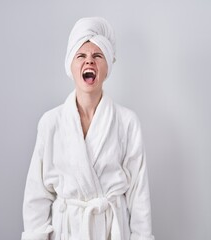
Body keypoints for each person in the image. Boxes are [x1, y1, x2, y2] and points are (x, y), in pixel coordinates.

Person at [21, 17, 155, 240]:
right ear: (71, 65)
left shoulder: (127, 122)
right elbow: (37, 195)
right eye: (81, 56)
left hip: (110, 230)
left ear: (107, 67)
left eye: (97, 56)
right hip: (68, 231)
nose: (89, 62)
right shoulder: (51, 122)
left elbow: (138, 195)